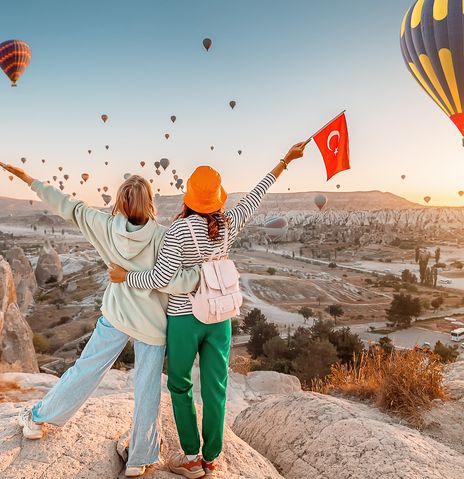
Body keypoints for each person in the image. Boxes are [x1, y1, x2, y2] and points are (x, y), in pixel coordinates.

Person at [108, 141, 307, 478]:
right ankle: (211, 458)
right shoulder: (228, 224)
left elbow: (161, 277)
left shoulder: (177, 232)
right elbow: (257, 195)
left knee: (181, 386)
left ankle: (190, 458)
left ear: (188, 197)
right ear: (217, 197)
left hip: (186, 319)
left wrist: (126, 276)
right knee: (216, 388)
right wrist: (285, 160)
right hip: (221, 318)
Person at [0, 162, 199, 478]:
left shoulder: (106, 226)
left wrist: (30, 180)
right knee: (147, 387)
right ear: (150, 203)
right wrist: (197, 276)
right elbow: (175, 279)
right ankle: (139, 458)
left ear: (120, 202)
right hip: (151, 325)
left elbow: (69, 207)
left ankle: (39, 420)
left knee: (87, 369)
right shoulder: (164, 237)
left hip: (116, 316)